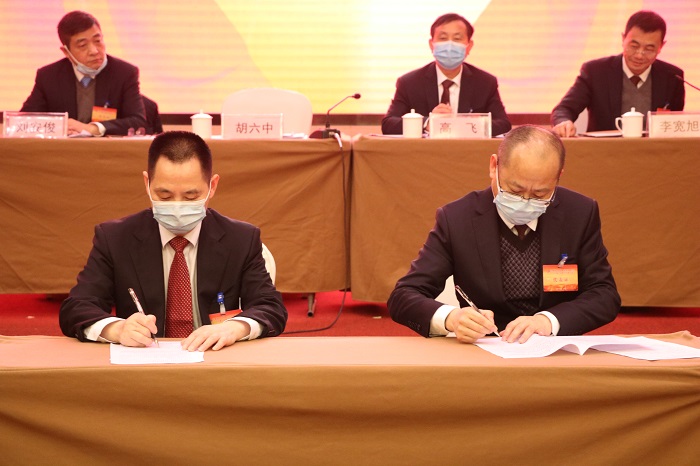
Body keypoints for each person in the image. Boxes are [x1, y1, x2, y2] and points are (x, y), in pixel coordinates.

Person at [388, 125, 620, 344]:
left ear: (558, 176)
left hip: (555, 349)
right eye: (515, 190)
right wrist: (451, 318)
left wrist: (548, 321)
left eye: (540, 194)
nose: (526, 201)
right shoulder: (457, 219)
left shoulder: (579, 213)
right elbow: (404, 295)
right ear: (494, 167)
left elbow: (604, 295)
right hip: (485, 349)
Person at [59, 131, 287, 351]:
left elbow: (270, 307)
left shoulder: (241, 239)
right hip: (144, 363)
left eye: (191, 196)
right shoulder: (115, 238)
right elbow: (77, 307)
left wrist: (234, 328)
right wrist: (117, 329)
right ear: (147, 183)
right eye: (164, 196)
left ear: (212, 187)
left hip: (214, 360)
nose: (177, 206)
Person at [551, 10, 684, 137]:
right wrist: (563, 122)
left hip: (655, 151)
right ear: (623, 39)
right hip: (606, 150)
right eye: (634, 46)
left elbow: (675, 125)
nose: (639, 55)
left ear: (661, 46)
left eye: (649, 49)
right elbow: (564, 109)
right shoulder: (595, 72)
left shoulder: (673, 78)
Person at [382, 13, 511, 136]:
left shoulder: (485, 83)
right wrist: (429, 123)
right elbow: (388, 124)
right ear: (431, 45)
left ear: (469, 46)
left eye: (457, 39)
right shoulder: (409, 83)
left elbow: (504, 124)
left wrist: (463, 124)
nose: (450, 45)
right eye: (443, 38)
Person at [20, 10, 146, 137]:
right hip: (63, 148)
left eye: (97, 41)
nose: (94, 51)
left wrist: (92, 128)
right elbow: (23, 122)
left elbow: (138, 122)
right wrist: (60, 127)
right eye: (82, 45)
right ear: (66, 52)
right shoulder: (49, 77)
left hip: (106, 148)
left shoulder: (124, 73)